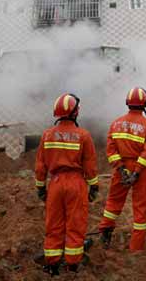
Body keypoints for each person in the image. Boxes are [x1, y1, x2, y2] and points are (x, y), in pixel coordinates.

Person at [35, 93, 99, 276]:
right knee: (75, 224)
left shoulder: (47, 135)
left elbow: (40, 166)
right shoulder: (83, 135)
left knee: (53, 225)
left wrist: (40, 188)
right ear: (74, 113)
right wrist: (94, 186)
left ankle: (52, 265)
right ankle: (72, 266)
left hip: (55, 183)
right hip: (76, 184)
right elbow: (90, 165)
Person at [98, 87, 146, 252]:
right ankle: (136, 248)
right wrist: (136, 172)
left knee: (113, 203)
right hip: (142, 170)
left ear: (127, 103)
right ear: (145, 104)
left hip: (120, 168)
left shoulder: (116, 123)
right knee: (141, 208)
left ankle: (105, 236)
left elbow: (110, 150)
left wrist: (122, 169)